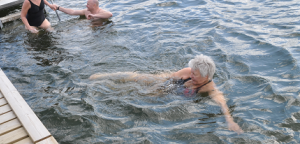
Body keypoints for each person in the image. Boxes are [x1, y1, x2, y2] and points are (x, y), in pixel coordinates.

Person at [90, 54, 243, 134]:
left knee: (135, 93)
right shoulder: (188, 72)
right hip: (168, 82)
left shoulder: (208, 88)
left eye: (195, 74)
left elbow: (222, 103)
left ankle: (108, 89)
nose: (192, 75)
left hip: (170, 95)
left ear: (206, 76)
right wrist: (155, 80)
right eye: (193, 72)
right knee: (138, 78)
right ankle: (104, 76)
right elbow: (170, 76)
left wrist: (230, 121)